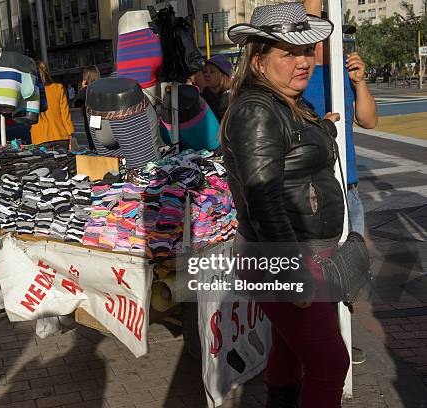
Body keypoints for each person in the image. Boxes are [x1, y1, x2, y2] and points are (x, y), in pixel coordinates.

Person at [223, 3, 349, 407]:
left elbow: (290, 148)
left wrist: (323, 127)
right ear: (259, 61)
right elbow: (264, 199)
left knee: (290, 349)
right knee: (330, 364)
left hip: (301, 251)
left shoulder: (286, 103)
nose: (303, 61)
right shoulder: (258, 110)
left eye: (307, 50)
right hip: (286, 255)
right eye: (288, 53)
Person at [302, 1, 378, 368]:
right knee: (318, 273)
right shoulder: (295, 71)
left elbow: (368, 120)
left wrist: (360, 82)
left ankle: (341, 336)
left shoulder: (342, 67)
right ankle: (325, 346)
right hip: (313, 190)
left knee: (350, 268)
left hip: (347, 187)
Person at [30, 61, 75, 148]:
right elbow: (65, 115)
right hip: (60, 135)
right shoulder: (58, 88)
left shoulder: (30, 92)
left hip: (40, 138)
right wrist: (70, 135)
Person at [73, 66, 101, 151]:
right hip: (104, 119)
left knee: (94, 144)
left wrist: (82, 89)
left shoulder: (86, 90)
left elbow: (76, 103)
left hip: (92, 120)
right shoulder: (101, 87)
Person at [201, 54, 233, 121]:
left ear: (223, 75)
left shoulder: (231, 97)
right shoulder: (204, 95)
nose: (206, 74)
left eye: (212, 71)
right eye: (205, 71)